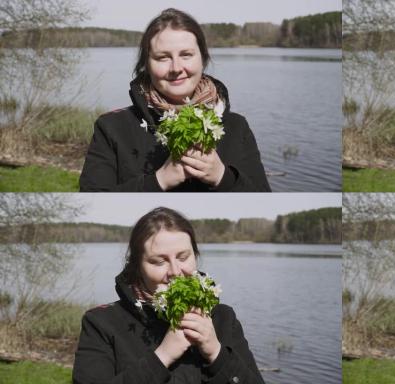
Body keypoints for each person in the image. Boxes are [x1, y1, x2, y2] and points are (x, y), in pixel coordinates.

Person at [80, 8, 270, 192]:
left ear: (202, 58)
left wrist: (222, 176)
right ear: (146, 64)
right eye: (163, 57)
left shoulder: (237, 127)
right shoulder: (112, 128)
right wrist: (159, 180)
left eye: (186, 55)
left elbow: (262, 197)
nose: (176, 68)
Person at [73, 207, 265, 384]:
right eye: (158, 262)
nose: (175, 271)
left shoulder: (223, 318)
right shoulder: (102, 323)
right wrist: (162, 357)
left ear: (195, 256)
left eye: (183, 257)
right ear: (137, 267)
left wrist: (216, 353)